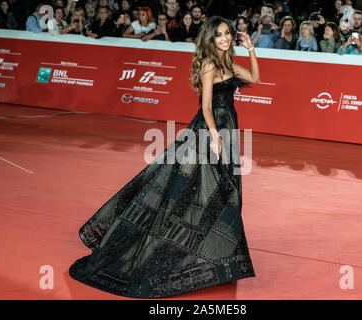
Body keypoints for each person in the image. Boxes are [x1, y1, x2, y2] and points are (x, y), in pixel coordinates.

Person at [69, 15, 257, 299]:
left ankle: (211, 253)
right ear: (210, 38)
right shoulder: (208, 64)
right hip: (210, 131)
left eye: (228, 34)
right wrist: (215, 135)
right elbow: (205, 106)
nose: (225, 38)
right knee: (193, 187)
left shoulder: (228, 64)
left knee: (222, 188)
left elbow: (255, 77)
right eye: (219, 35)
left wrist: (251, 50)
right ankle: (173, 246)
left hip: (230, 128)